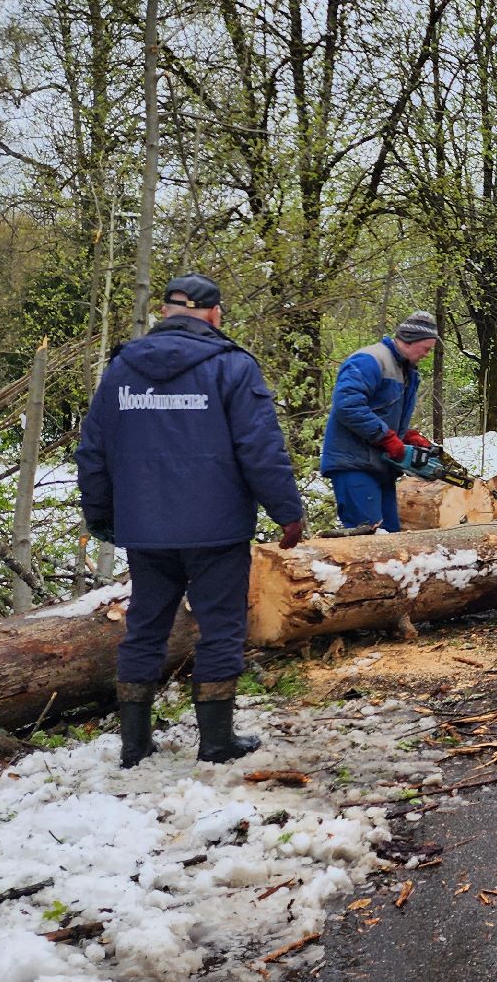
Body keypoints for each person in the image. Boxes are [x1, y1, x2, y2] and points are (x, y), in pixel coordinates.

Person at [76, 272, 305, 768]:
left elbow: (93, 451)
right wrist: (288, 512)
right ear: (213, 313)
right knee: (220, 630)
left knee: (144, 630)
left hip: (145, 530)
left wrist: (102, 517)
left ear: (166, 312)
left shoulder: (120, 370)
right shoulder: (233, 367)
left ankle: (134, 745)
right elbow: (261, 449)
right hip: (216, 529)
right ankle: (216, 742)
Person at [319, 312, 440, 532]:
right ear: (410, 340)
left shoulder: (406, 371)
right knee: (369, 540)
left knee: (391, 538)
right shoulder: (370, 360)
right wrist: (386, 437)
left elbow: (383, 412)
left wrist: (406, 436)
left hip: (380, 466)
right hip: (353, 464)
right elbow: (347, 405)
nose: (426, 354)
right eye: (426, 348)